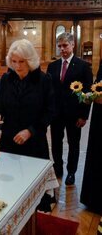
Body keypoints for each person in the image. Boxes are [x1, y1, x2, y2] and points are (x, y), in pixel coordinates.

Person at [0, 39, 57, 212]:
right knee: (11, 184)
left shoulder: (43, 80)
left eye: (22, 62)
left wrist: (30, 131)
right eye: (14, 61)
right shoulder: (6, 78)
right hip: (9, 141)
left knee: (33, 187)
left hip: (34, 142)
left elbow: (50, 111)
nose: (17, 66)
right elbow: (0, 106)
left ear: (30, 61)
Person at [47, 32, 93, 185]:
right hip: (56, 114)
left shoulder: (83, 66)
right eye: (59, 46)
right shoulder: (52, 66)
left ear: (73, 45)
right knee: (56, 142)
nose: (62, 49)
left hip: (75, 114)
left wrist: (84, 115)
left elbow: (88, 92)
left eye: (65, 45)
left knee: (73, 144)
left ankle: (71, 172)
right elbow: (49, 91)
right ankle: (58, 168)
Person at [80, 63, 102, 214]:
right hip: (100, 118)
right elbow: (97, 85)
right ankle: (94, 199)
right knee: (97, 155)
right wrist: (91, 96)